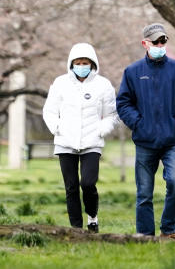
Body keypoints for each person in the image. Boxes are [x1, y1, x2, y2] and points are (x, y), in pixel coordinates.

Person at [115, 22, 175, 239]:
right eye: (156, 41)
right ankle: (144, 235)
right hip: (144, 141)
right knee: (144, 193)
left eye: (163, 41)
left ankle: (168, 230)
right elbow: (123, 103)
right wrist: (138, 123)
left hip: (173, 140)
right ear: (145, 43)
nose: (160, 45)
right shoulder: (132, 72)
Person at [42, 42, 118, 233]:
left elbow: (112, 114)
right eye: (78, 62)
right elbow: (49, 111)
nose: (82, 66)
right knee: (71, 187)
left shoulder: (103, 85)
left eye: (86, 62)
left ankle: (92, 218)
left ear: (92, 64)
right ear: (71, 63)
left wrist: (102, 129)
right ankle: (76, 228)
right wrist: (57, 128)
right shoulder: (60, 83)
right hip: (65, 142)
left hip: (92, 142)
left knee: (88, 183)